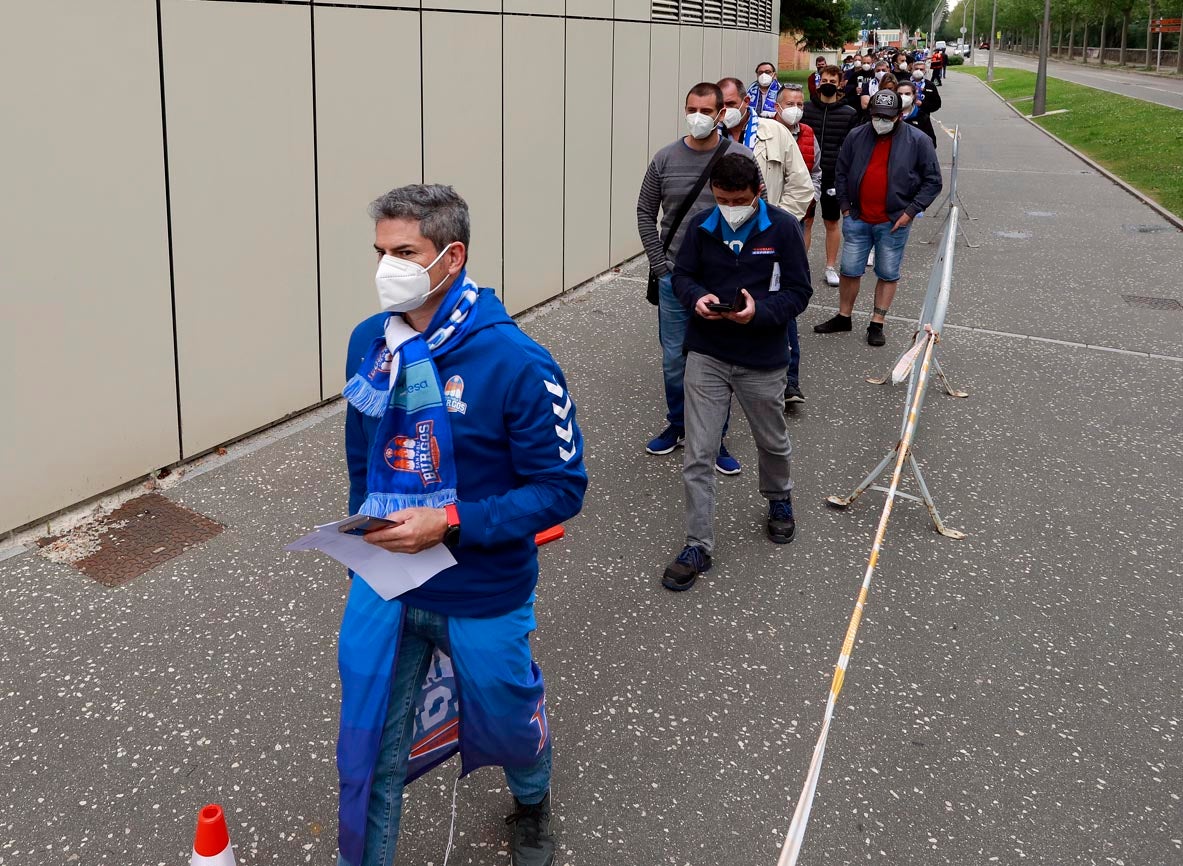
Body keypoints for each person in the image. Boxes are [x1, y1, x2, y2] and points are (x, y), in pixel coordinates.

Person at [337, 184, 587, 866]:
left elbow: (561, 491)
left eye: (404, 252)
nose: (386, 266)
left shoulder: (517, 363)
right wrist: (367, 531)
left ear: (452, 257)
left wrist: (448, 522)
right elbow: (362, 454)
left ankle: (531, 800)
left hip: (482, 590)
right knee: (368, 750)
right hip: (387, 582)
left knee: (507, 718)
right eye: (379, 252)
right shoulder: (370, 338)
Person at [662, 153, 812, 591]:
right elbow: (682, 276)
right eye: (723, 198)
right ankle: (697, 545)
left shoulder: (781, 228)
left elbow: (800, 292)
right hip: (707, 354)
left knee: (773, 440)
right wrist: (698, 299)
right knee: (699, 452)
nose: (730, 206)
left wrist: (758, 313)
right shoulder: (703, 226)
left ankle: (779, 498)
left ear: (757, 194)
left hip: (762, 357)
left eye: (739, 199)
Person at [637, 82, 760, 472]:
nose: (700, 117)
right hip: (676, 279)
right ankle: (678, 425)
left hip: (723, 282)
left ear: (721, 113)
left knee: (717, 362)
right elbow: (645, 212)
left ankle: (714, 438)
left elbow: (760, 211)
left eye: (708, 110)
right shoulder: (664, 159)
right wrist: (661, 267)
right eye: (693, 108)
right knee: (675, 361)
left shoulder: (740, 157)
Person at [814, 91, 942, 346]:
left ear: (899, 116)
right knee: (849, 269)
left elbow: (933, 181)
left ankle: (877, 322)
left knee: (887, 272)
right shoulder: (856, 136)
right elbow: (841, 171)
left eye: (886, 117)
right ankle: (844, 316)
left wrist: (910, 212)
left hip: (893, 221)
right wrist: (845, 207)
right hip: (858, 217)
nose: (880, 121)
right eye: (876, 116)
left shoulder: (918, 140)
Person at [717, 77, 812, 220]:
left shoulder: (776, 132)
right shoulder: (710, 138)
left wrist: (778, 221)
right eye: (720, 105)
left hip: (766, 225)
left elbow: (801, 185)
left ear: (747, 101)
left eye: (731, 104)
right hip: (720, 227)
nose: (726, 110)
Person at [801, 65, 858, 290]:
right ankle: (800, 264)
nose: (827, 84)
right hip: (806, 174)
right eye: (824, 79)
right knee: (805, 221)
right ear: (818, 80)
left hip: (833, 176)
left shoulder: (849, 113)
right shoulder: (805, 110)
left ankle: (830, 267)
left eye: (832, 81)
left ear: (840, 84)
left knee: (831, 222)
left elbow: (851, 148)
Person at [896, 80, 940, 146]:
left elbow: (931, 143)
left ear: (914, 95)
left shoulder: (922, 116)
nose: (903, 97)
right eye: (900, 94)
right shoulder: (890, 115)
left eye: (907, 94)